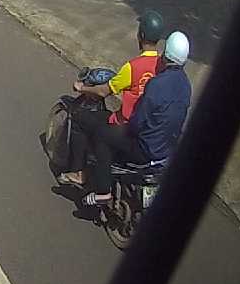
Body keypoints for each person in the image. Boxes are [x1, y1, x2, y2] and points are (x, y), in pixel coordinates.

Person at [65, 31, 192, 206]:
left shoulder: (156, 84)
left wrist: (125, 128)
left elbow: (138, 122)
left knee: (103, 134)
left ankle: (103, 191)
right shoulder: (186, 85)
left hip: (145, 148)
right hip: (167, 148)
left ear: (165, 54)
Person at [56, 10, 165, 190]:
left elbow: (103, 92)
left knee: (79, 118)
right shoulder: (162, 67)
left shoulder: (132, 67)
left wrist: (82, 88)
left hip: (124, 125)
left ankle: (78, 172)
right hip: (149, 128)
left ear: (140, 35)